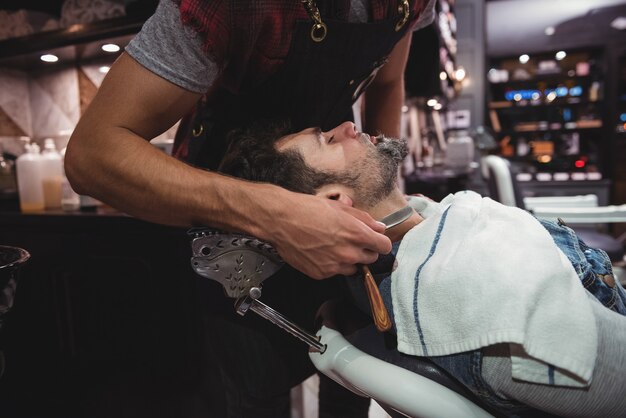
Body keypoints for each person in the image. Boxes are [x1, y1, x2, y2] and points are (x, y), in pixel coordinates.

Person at [65, 1, 439, 416]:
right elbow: (91, 155)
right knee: (252, 391)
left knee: (358, 377)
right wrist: (275, 214)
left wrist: (381, 194)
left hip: (341, 207)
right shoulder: (228, 7)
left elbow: (387, 84)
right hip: (233, 243)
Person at [217, 120, 626, 417]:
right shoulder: (482, 294)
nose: (347, 126)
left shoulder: (415, 260)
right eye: (327, 140)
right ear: (334, 200)